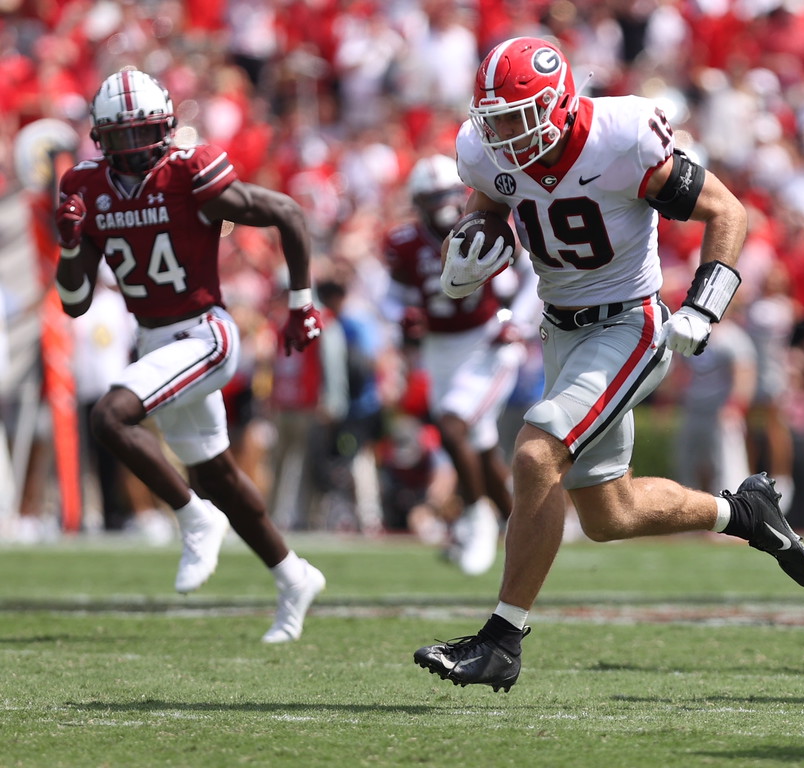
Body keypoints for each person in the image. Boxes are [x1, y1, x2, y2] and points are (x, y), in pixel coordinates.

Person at [413, 36, 804, 692]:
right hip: (559, 330)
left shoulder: (621, 137)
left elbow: (725, 211)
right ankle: (744, 514)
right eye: (497, 123)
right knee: (609, 514)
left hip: (629, 323)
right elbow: (488, 205)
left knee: (534, 451)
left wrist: (704, 308)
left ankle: (500, 641)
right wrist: (471, 241)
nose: (507, 138)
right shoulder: (484, 149)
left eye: (520, 119)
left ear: (562, 105)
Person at [53, 68, 326, 643]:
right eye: (119, 137)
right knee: (217, 473)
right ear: (100, 138)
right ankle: (293, 575)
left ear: (165, 128)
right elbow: (75, 302)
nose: (130, 149)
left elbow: (287, 213)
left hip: (205, 333)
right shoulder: (85, 186)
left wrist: (301, 302)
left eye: (140, 134)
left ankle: (193, 516)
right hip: (154, 340)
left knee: (109, 417)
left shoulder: (189, 170)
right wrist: (71, 244)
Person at [384, 153, 536, 575]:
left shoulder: (484, 230)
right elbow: (392, 296)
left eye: (448, 194)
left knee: (451, 425)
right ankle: (520, 529)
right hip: (439, 348)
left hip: (487, 342)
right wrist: (403, 317)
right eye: (432, 197)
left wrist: (517, 323)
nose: (442, 205)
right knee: (482, 447)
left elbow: (533, 277)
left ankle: (475, 519)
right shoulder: (404, 243)